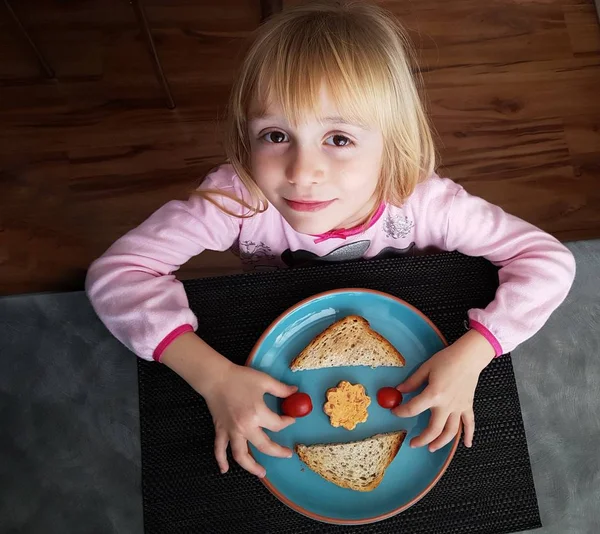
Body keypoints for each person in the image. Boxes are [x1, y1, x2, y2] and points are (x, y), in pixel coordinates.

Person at [86, 1, 575, 479]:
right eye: (275, 135)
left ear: (393, 144)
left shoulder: (426, 203)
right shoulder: (238, 198)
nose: (302, 173)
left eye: (338, 139)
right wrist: (211, 377)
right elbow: (116, 275)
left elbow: (548, 261)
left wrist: (476, 352)